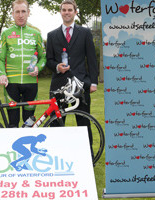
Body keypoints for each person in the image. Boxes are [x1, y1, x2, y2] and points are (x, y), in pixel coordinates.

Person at [46, 0, 98, 158]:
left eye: (70, 9)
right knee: (56, 122)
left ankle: (88, 158)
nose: (67, 12)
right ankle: (56, 156)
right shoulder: (52, 35)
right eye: (64, 10)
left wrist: (93, 81)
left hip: (80, 84)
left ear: (75, 12)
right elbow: (49, 60)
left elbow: (91, 59)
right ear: (60, 12)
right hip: (59, 84)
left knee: (83, 123)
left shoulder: (85, 32)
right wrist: (57, 67)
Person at [0, 0, 46, 128]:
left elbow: (43, 58)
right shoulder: (6, 34)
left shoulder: (36, 34)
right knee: (12, 123)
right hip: (11, 83)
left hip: (31, 83)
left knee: (29, 123)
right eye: (17, 12)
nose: (20, 15)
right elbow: (0, 59)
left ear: (28, 13)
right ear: (12, 14)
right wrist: (2, 74)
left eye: (23, 11)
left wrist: (37, 68)